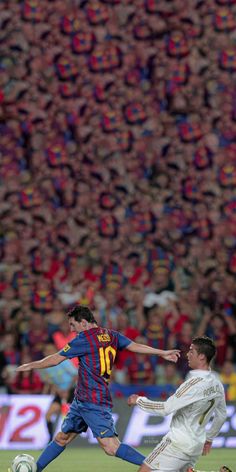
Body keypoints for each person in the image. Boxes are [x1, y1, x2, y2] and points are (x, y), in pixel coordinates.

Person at [16, 305, 180, 472]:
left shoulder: (83, 340)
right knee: (62, 438)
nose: (72, 329)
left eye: (73, 325)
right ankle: (35, 470)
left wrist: (31, 365)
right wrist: (162, 352)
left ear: (85, 323)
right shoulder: (111, 335)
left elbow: (56, 359)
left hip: (94, 401)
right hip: (81, 400)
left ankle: (160, 467)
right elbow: (135, 346)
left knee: (111, 447)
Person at [128, 336, 227, 472]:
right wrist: (209, 438)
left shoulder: (193, 384)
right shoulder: (217, 384)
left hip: (177, 442)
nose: (187, 354)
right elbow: (222, 415)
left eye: (192, 351)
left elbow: (165, 408)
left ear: (202, 357)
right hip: (197, 445)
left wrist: (139, 400)